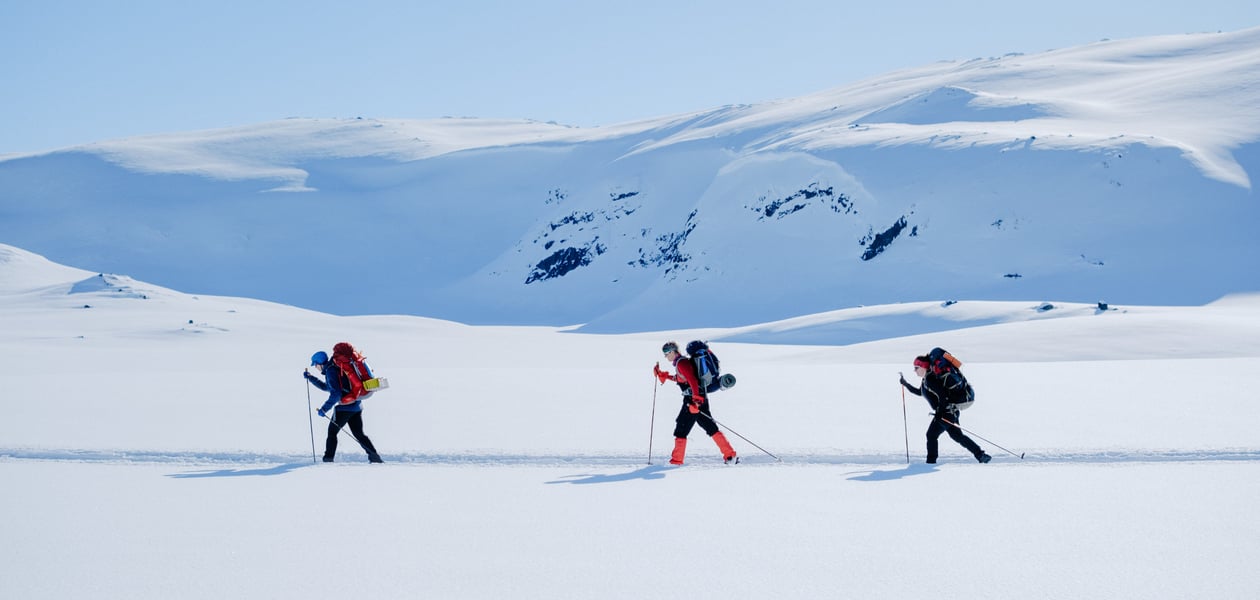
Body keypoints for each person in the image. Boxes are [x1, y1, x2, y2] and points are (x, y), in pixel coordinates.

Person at [654, 341, 738, 465]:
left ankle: (676, 461)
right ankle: (730, 455)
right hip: (698, 398)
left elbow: (692, 380)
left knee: (681, 430)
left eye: (666, 353)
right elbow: (682, 378)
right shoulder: (681, 362)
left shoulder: (682, 363)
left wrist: (696, 400)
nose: (666, 356)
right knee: (710, 427)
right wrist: (665, 376)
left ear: (672, 351)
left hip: (693, 401)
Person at [900, 355, 991, 464]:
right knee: (957, 436)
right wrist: (906, 384)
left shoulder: (931, 380)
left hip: (946, 413)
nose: (914, 371)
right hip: (949, 413)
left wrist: (939, 412)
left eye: (916, 368)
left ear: (923, 367)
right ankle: (980, 455)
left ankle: (930, 462)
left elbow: (943, 397)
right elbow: (920, 392)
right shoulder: (926, 380)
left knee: (931, 435)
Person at [304, 350, 383, 463]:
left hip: (345, 408)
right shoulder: (334, 368)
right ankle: (375, 458)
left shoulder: (331, 371)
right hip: (356, 405)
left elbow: (336, 394)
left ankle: (328, 459)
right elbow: (328, 387)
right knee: (359, 434)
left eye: (315, 365)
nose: (316, 367)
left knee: (332, 433)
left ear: (320, 363)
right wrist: (311, 378)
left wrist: (324, 409)